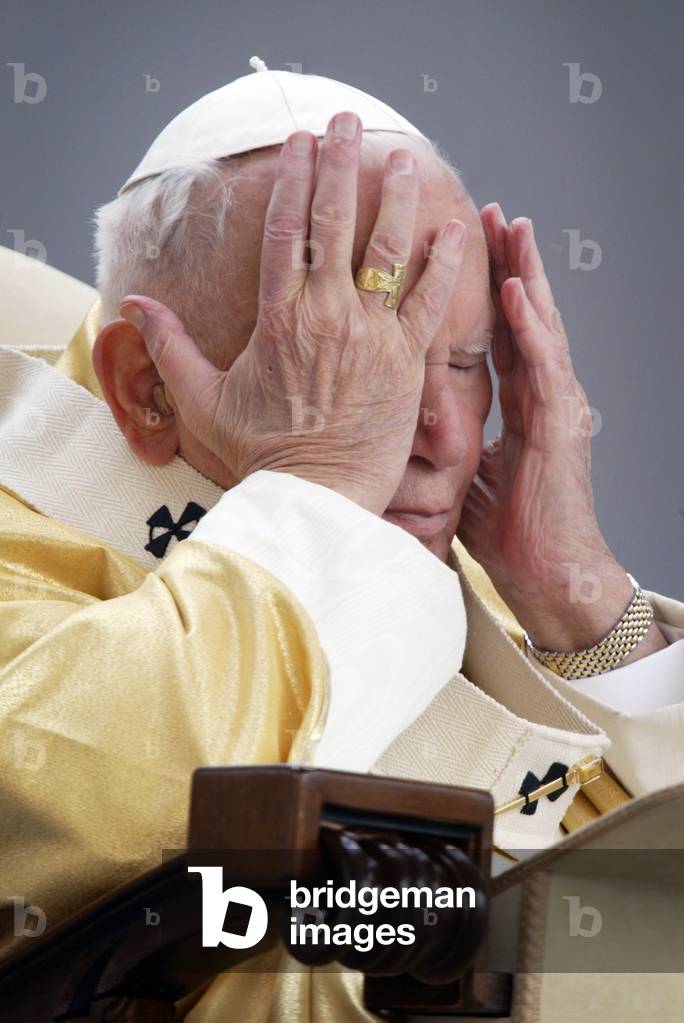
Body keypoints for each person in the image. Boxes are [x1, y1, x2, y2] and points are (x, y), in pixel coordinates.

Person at [1, 60, 682, 1020]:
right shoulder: (32, 542)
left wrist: (583, 606)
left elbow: (641, 914)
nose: (444, 436)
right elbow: (82, 813)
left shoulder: (449, 565)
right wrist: (320, 473)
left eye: (462, 360)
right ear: (147, 386)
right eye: (353, 359)